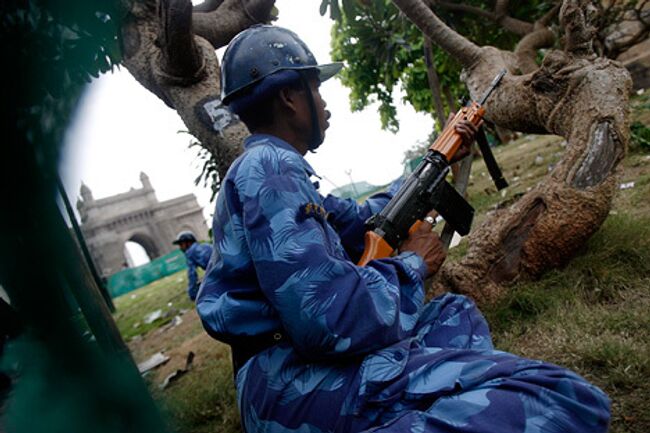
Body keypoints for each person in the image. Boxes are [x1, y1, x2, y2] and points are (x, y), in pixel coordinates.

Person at [196, 25, 610, 433]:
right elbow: (328, 322)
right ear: (290, 97)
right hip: (293, 383)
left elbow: (362, 220)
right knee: (558, 397)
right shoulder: (270, 169)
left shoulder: (270, 168)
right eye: (316, 89)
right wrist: (413, 263)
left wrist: (439, 156)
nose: (324, 103)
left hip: (287, 371)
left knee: (454, 313)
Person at [172, 231, 212, 301]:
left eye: (181, 244)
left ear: (189, 243)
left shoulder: (190, 252)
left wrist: (192, 294)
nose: (180, 248)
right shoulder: (205, 245)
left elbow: (192, 275)